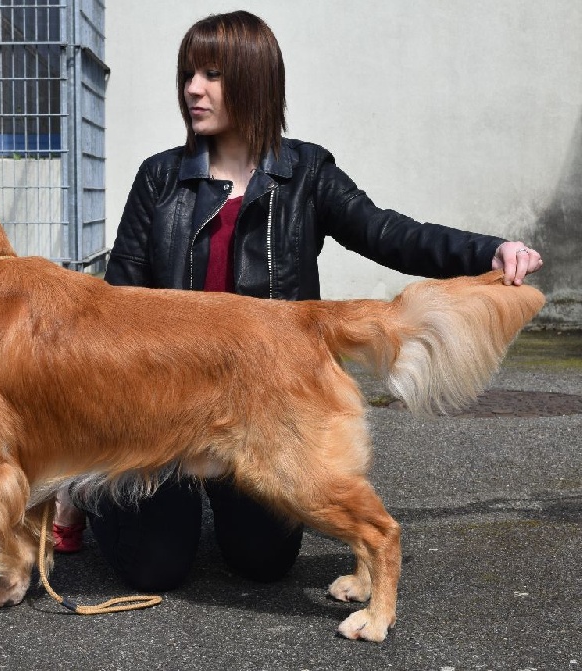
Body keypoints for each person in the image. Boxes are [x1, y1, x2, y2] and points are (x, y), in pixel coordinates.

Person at [53, 10, 543, 588]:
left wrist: (489, 251)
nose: (192, 89)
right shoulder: (159, 178)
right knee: (154, 569)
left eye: (212, 74)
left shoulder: (306, 172)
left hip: (262, 402)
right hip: (163, 405)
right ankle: (77, 488)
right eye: (188, 74)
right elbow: (118, 303)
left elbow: (387, 232)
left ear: (254, 79)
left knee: (262, 563)